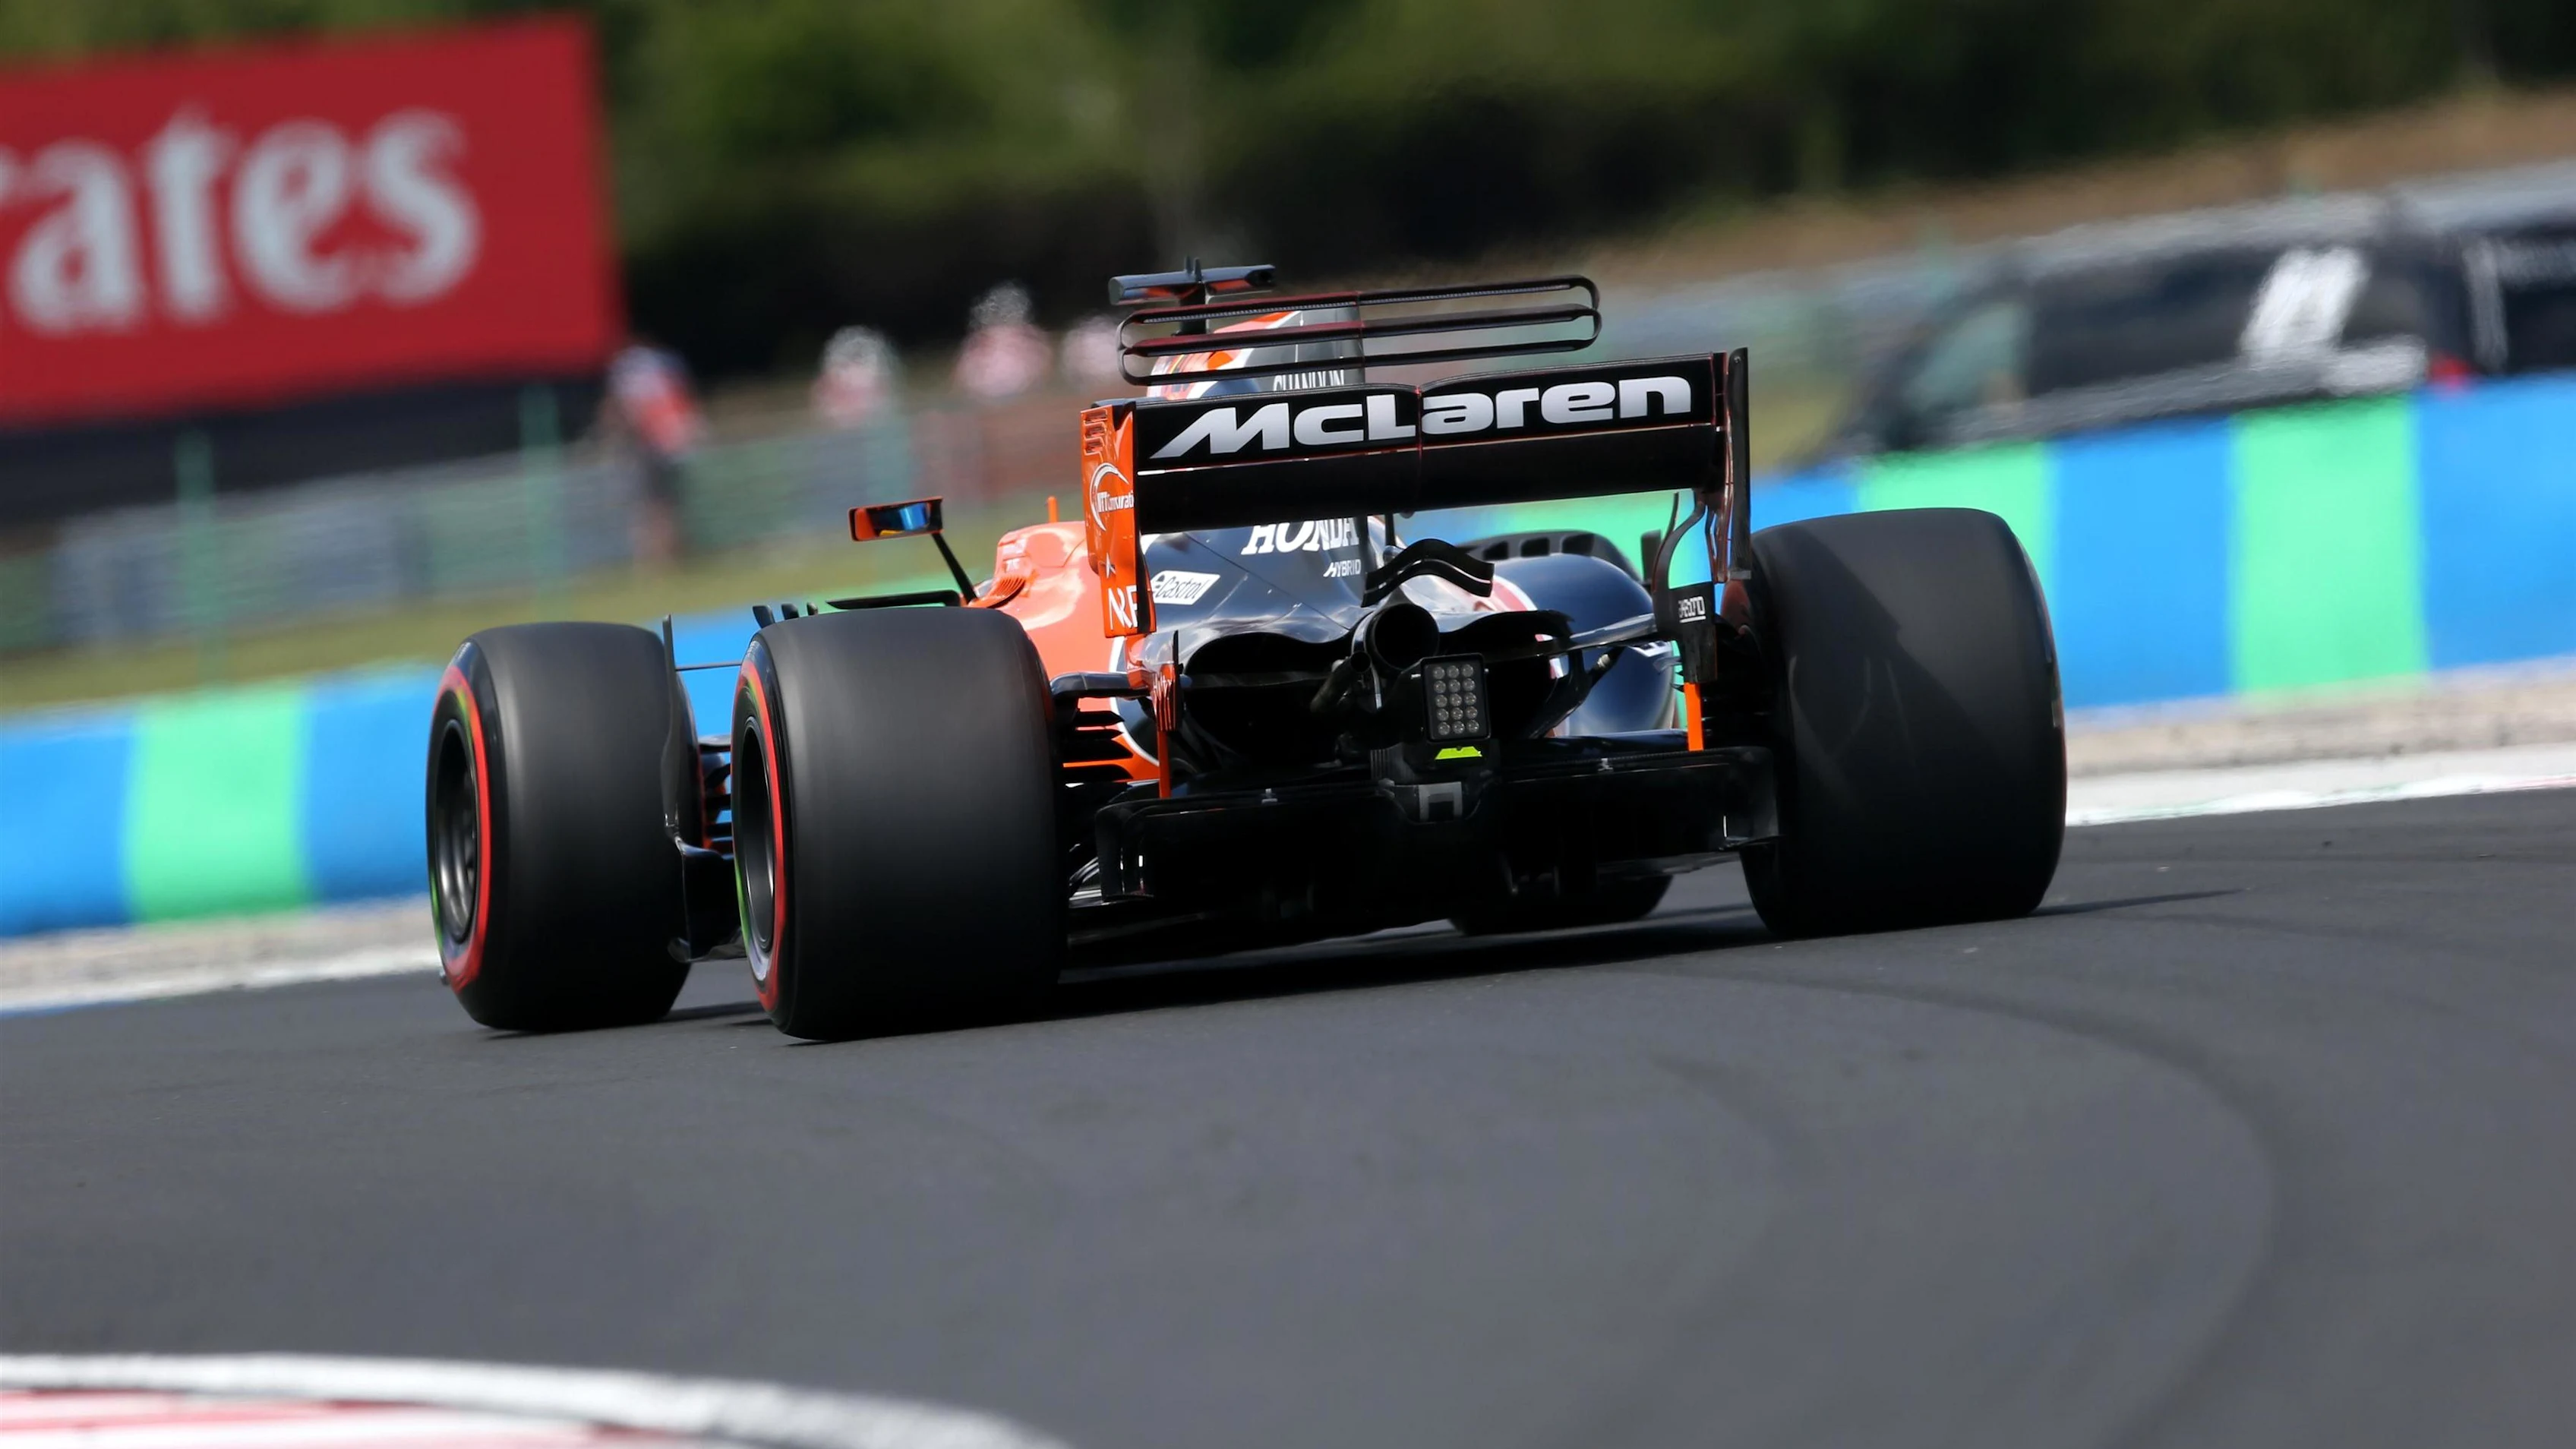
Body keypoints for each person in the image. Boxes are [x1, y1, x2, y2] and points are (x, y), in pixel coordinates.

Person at [605, 340, 705, 566]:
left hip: (653, 448)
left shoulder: (635, 374)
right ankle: (662, 559)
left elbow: (630, 413)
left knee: (655, 508)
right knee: (662, 507)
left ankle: (659, 560)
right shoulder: (659, 372)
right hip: (665, 447)